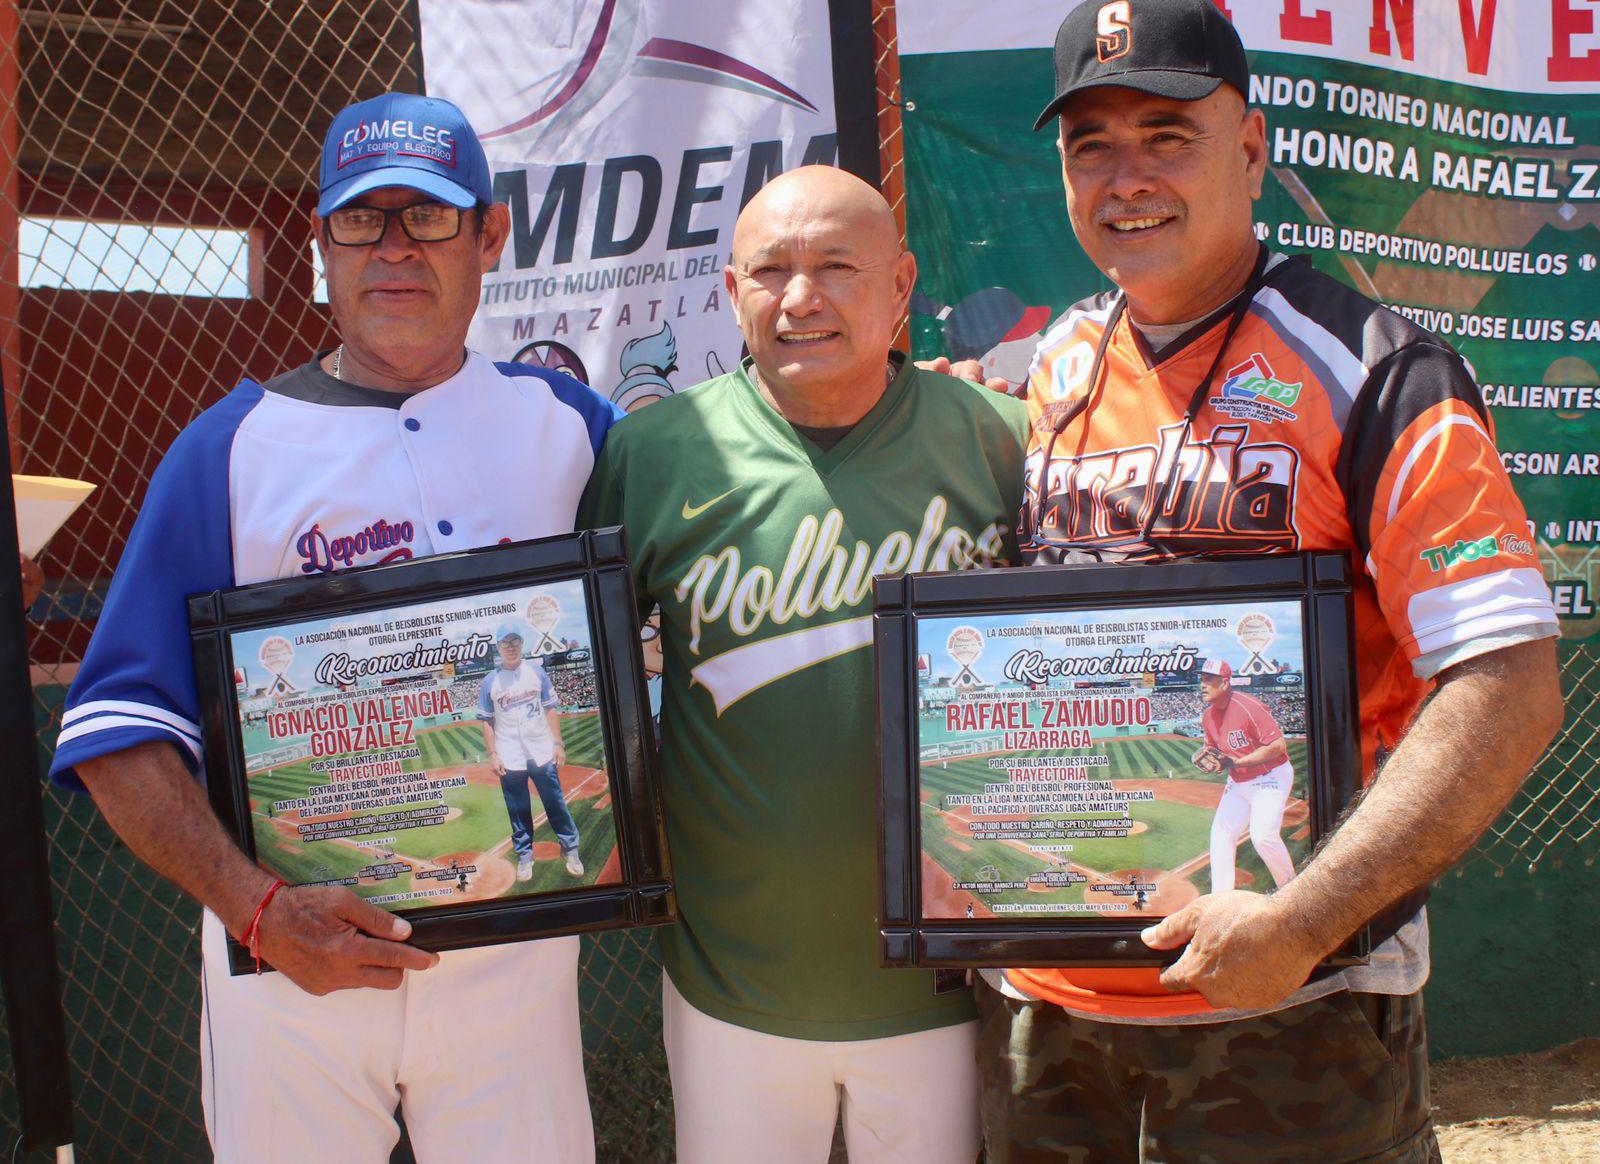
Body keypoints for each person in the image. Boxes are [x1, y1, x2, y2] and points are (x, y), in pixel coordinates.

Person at [972, 0, 1563, 1161]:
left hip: (1292, 1008)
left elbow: (1509, 685)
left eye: (1167, 137)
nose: (1127, 179)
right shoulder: (1048, 370)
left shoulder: (1375, 368)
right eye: (1092, 148)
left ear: (1249, 150)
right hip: (1051, 1013)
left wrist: (1301, 920)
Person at [48, 92, 621, 1162]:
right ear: (321, 243)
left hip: (516, 966)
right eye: (362, 219)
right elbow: (118, 732)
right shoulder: (229, 448)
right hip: (290, 971)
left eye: (429, 215)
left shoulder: (578, 428)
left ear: (490, 234)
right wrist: (256, 908)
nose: (394, 247)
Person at [580, 165, 1030, 1163]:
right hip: (729, 978)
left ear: (901, 284)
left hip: (947, 977)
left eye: (836, 266)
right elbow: (585, 686)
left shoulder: (1001, 436)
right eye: (770, 270)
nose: (800, 298)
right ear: (729, 290)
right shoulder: (654, 453)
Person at [479, 620, 583, 880]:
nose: (511, 646)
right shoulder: (490, 681)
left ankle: (570, 849)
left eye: (515, 641)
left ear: (522, 643)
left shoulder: (537, 672)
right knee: (518, 809)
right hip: (509, 754)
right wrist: (493, 754)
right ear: (498, 647)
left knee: (555, 802)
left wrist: (557, 743)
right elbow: (487, 721)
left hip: (540, 750)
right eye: (505, 642)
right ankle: (525, 856)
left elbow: (550, 709)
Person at [1193, 659, 1295, 894]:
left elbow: (1278, 746)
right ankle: (1221, 900)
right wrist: (1216, 762)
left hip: (1270, 778)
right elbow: (1215, 750)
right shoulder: (1208, 716)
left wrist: (1237, 762)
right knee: (1220, 836)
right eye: (1202, 679)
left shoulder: (1248, 706)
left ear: (1225, 683)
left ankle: (1292, 892)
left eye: (1208, 679)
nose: (1202, 684)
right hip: (1238, 782)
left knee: (1263, 836)